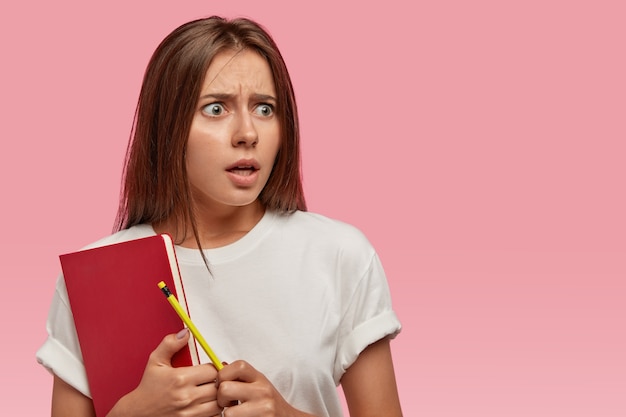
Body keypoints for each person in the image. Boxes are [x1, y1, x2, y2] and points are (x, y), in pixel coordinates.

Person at [36, 16, 403, 417]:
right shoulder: (96, 276)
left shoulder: (339, 256)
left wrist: (286, 414)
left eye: (265, 108)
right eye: (216, 108)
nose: (248, 133)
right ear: (168, 126)